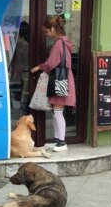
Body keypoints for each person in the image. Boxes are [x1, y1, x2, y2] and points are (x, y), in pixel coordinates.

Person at [30, 16, 76, 152]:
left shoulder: (58, 44)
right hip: (64, 79)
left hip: (60, 80)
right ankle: (58, 140)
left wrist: (40, 67)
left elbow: (51, 64)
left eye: (47, 32)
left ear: (52, 29)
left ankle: (61, 143)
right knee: (57, 111)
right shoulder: (64, 42)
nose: (46, 35)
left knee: (57, 112)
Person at [10, 22, 30, 115]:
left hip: (20, 72)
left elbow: (20, 61)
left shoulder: (22, 44)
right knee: (22, 93)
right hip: (22, 72)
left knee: (21, 93)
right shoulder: (22, 44)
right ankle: (21, 110)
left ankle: (22, 110)